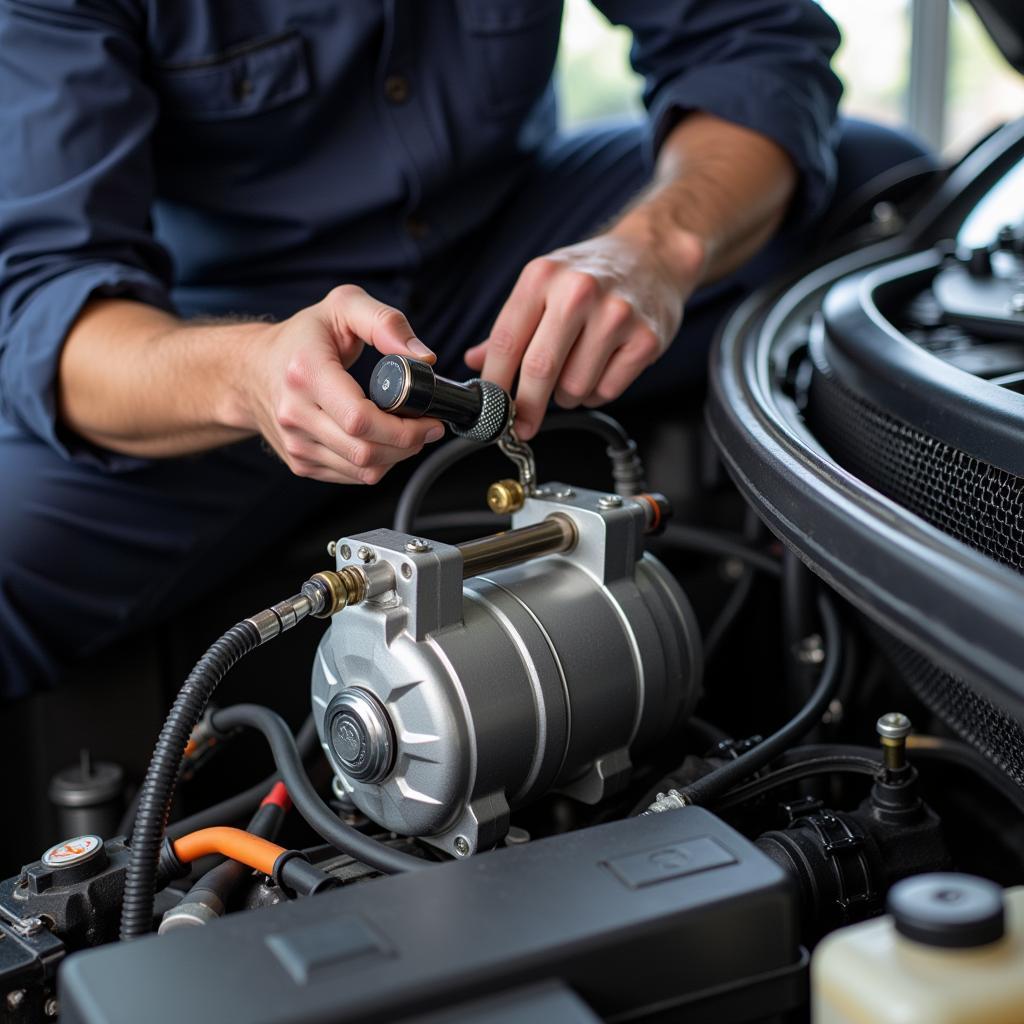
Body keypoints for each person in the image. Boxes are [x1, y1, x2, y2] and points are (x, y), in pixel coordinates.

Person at [0, 1, 926, 696]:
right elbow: (51, 304)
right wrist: (247, 380)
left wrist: (655, 249)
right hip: (224, 343)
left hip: (505, 251)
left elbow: (751, 44)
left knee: (871, 183)